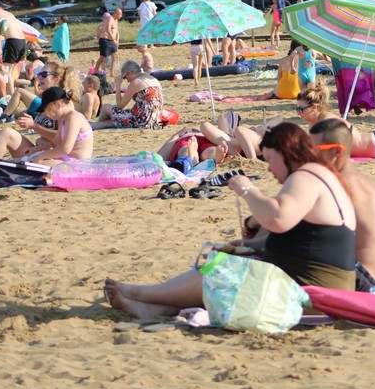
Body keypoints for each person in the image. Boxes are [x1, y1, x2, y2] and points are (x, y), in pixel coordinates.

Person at [103, 123, 359, 319]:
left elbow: (279, 219)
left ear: (286, 152)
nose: (269, 169)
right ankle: (149, 308)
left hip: (318, 288)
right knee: (227, 263)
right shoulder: (316, 176)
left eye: (270, 160)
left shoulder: (307, 176)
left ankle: (140, 293)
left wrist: (248, 190)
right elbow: (301, 238)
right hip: (324, 282)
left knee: (219, 272)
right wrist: (247, 245)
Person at [0, 86, 94, 187]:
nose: (49, 116)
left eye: (49, 111)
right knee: (16, 154)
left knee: (22, 164)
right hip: (62, 160)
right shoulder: (64, 118)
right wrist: (37, 150)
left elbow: (65, 149)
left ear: (57, 105)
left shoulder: (74, 117)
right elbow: (54, 143)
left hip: (74, 166)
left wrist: (39, 156)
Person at [308, 118, 375, 291]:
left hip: (358, 276)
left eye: (314, 151)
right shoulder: (361, 180)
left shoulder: (339, 182)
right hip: (374, 276)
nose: (309, 156)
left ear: (337, 152)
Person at [93, 60, 164, 129]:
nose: (126, 80)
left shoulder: (136, 82)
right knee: (112, 121)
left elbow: (120, 106)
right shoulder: (152, 78)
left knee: (105, 107)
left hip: (140, 121)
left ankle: (95, 125)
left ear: (130, 72)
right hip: (154, 120)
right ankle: (96, 125)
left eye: (125, 77)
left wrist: (118, 85)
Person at [0, 0, 27, 95]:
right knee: (10, 72)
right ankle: (12, 96)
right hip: (22, 41)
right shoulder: (8, 14)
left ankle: (5, 97)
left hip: (12, 42)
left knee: (5, 72)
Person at [94, 9, 120, 76]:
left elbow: (116, 31)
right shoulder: (110, 19)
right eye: (120, 14)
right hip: (105, 40)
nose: (121, 16)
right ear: (116, 14)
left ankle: (112, 73)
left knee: (115, 56)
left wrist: (117, 40)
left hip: (112, 40)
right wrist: (114, 40)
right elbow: (108, 30)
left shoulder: (116, 20)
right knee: (102, 57)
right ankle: (95, 71)